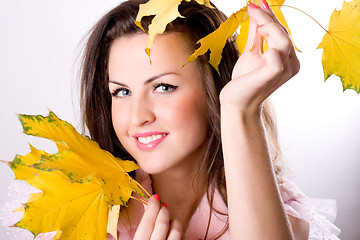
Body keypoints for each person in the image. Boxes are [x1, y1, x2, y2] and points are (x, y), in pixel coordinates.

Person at [77, 0, 342, 239]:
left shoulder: (276, 215)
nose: (138, 117)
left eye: (163, 87)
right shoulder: (78, 213)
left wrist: (241, 110)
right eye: (121, 92)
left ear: (213, 87)